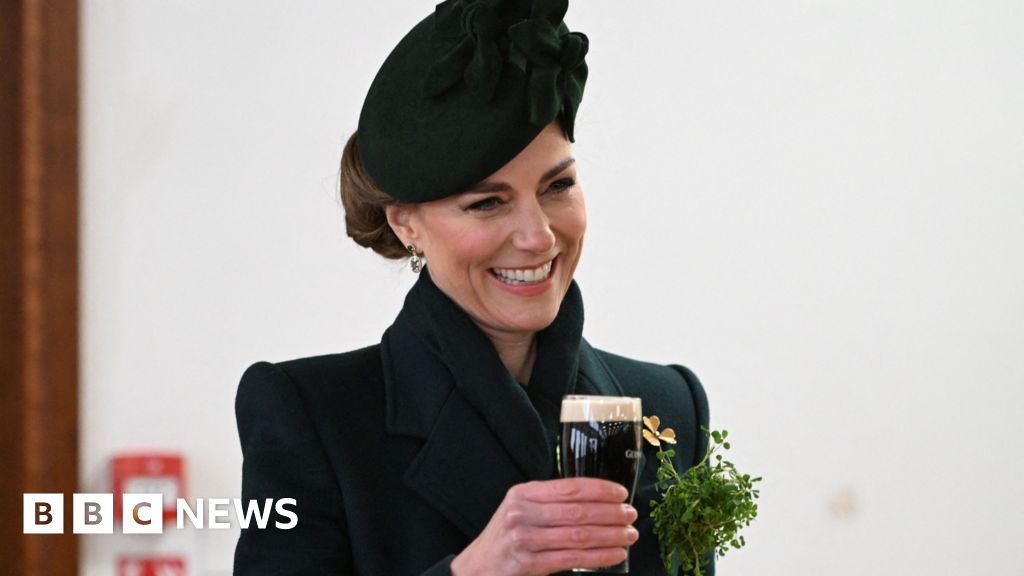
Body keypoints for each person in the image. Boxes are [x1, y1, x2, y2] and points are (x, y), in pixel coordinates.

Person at [233, 0, 712, 574]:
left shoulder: (668, 403)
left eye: (558, 185)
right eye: (487, 202)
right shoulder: (312, 417)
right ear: (404, 222)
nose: (537, 237)